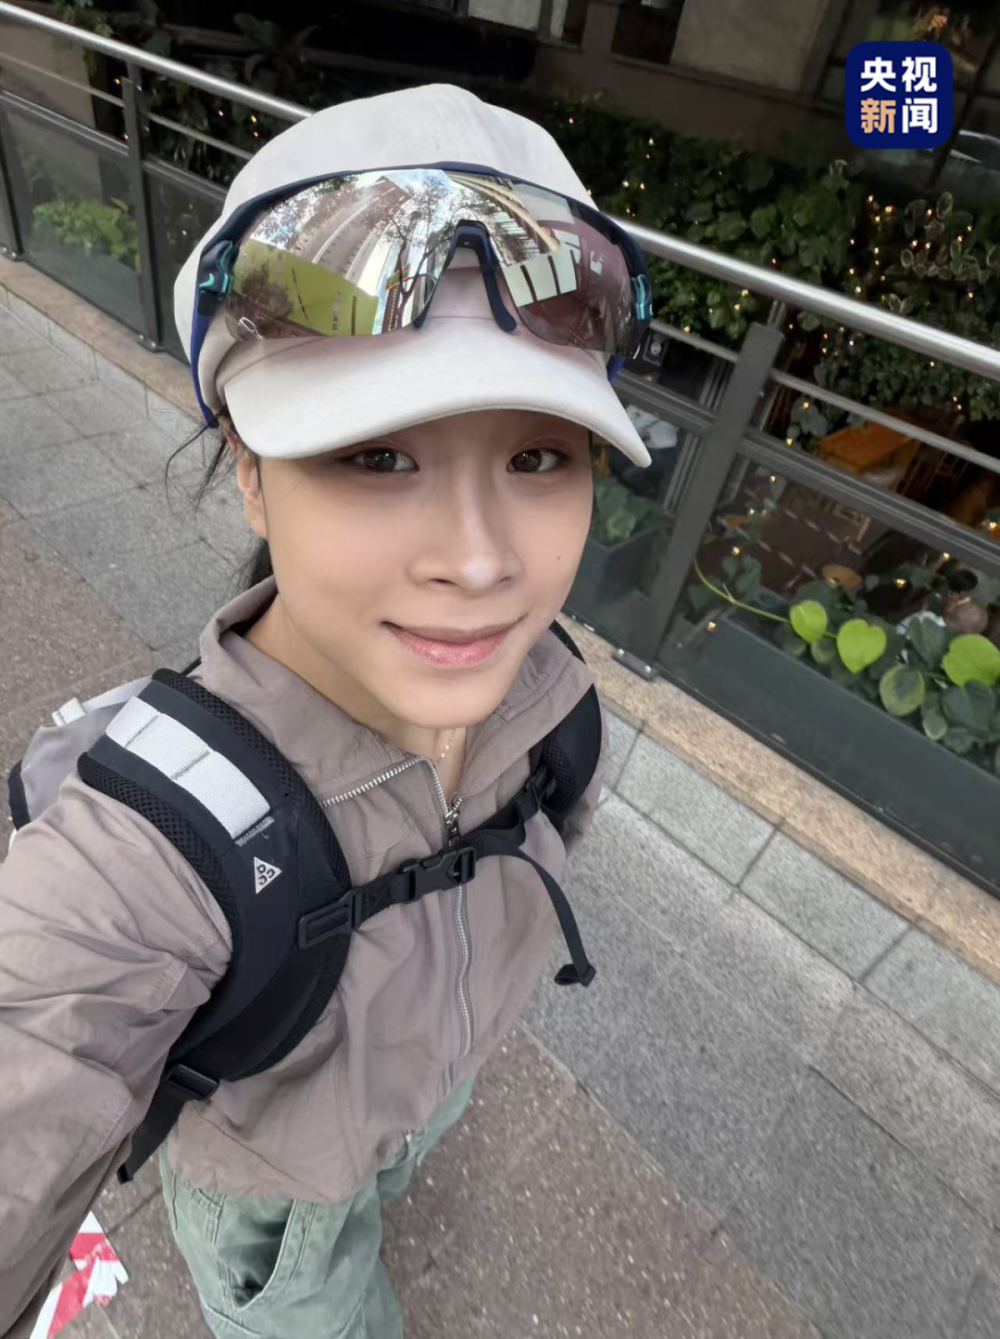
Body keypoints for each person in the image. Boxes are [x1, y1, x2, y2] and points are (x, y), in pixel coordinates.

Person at [0, 83, 651, 1338]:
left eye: (537, 456)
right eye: (377, 455)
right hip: (271, 1202)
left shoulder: (549, 694)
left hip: (420, 1100)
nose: (478, 560)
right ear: (248, 473)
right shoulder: (149, 855)